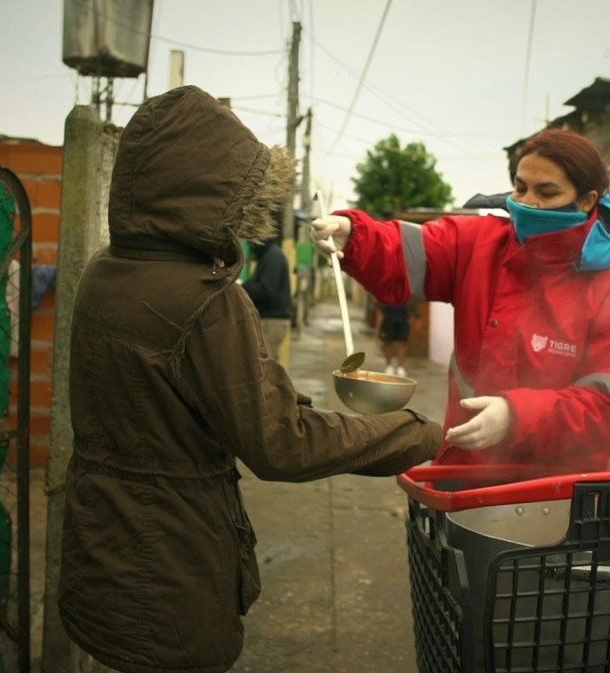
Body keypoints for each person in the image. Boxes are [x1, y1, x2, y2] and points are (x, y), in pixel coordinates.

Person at [59, 86, 444, 673]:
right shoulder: (207, 300)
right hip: (170, 563)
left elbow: (186, 399)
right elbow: (281, 444)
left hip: (97, 546)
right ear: (212, 192)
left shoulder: (105, 271)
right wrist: (415, 434)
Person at [312, 129, 610, 475]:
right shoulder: (480, 244)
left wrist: (516, 416)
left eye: (546, 192)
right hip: (462, 473)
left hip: (558, 492)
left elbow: (607, 409)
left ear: (586, 201)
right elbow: (406, 249)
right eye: (521, 188)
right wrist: (353, 235)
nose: (528, 202)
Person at [242, 235, 293, 354]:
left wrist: (243, 288)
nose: (250, 246)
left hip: (272, 321)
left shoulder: (272, 257)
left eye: (251, 243)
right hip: (271, 320)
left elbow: (266, 291)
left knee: (265, 366)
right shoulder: (269, 255)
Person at [378, 303, 411, 376]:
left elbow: (411, 305)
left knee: (402, 344)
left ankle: (400, 367)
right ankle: (388, 366)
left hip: (403, 319)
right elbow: (380, 306)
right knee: (388, 344)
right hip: (389, 320)